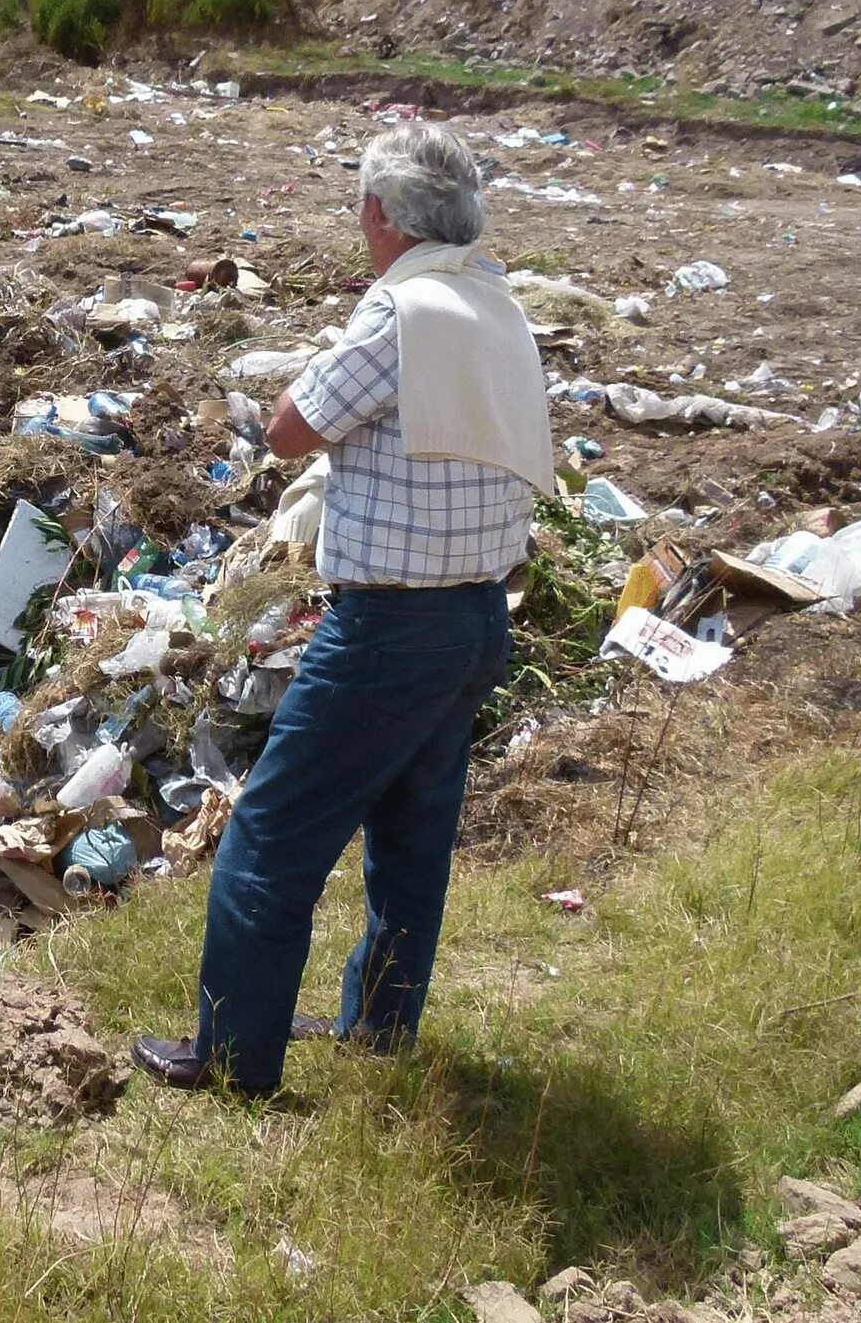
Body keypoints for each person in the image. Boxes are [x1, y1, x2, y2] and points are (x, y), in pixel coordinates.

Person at [134, 121, 553, 1097]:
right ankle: (378, 1029)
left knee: (270, 836)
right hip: (479, 617)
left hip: (390, 628)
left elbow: (288, 430)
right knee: (412, 841)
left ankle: (234, 1060)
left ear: (386, 216)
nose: (358, 222)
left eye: (363, 206)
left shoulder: (401, 311)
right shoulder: (498, 305)